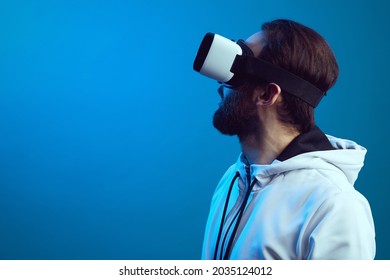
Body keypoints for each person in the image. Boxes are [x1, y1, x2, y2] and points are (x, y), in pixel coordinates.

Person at [195, 19, 376, 260]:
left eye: (235, 73)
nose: (221, 87)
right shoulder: (233, 180)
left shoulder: (334, 206)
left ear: (267, 94)